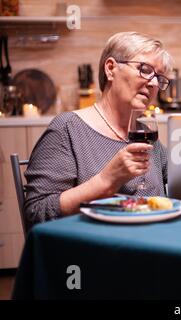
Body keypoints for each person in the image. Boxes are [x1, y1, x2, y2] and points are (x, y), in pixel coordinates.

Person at [24, 31, 173, 225]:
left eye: (159, 78)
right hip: (96, 248)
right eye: (145, 69)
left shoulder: (146, 135)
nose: (154, 83)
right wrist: (106, 180)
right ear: (111, 69)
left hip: (153, 244)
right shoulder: (68, 129)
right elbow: (37, 212)